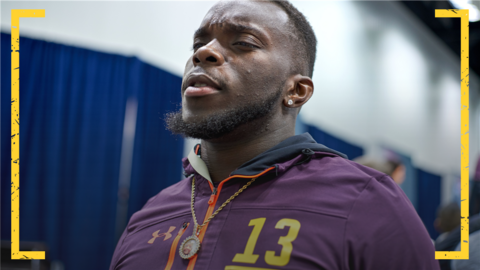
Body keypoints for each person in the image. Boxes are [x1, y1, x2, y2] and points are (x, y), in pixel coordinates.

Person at [109, 0, 439, 269]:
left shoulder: (366, 202)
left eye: (243, 43)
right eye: (199, 44)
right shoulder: (149, 214)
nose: (203, 53)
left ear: (295, 91)